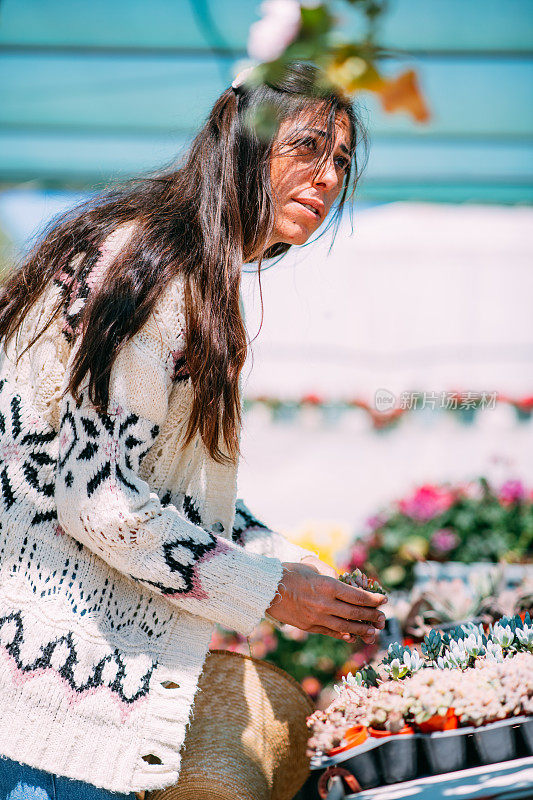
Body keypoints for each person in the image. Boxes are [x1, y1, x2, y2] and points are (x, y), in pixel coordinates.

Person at [0, 62, 386, 799]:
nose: (329, 176)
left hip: (62, 696)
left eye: (340, 160)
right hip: (35, 706)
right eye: (306, 147)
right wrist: (272, 592)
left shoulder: (187, 270)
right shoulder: (151, 265)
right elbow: (101, 500)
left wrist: (293, 569)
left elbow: (161, 489)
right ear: (242, 141)